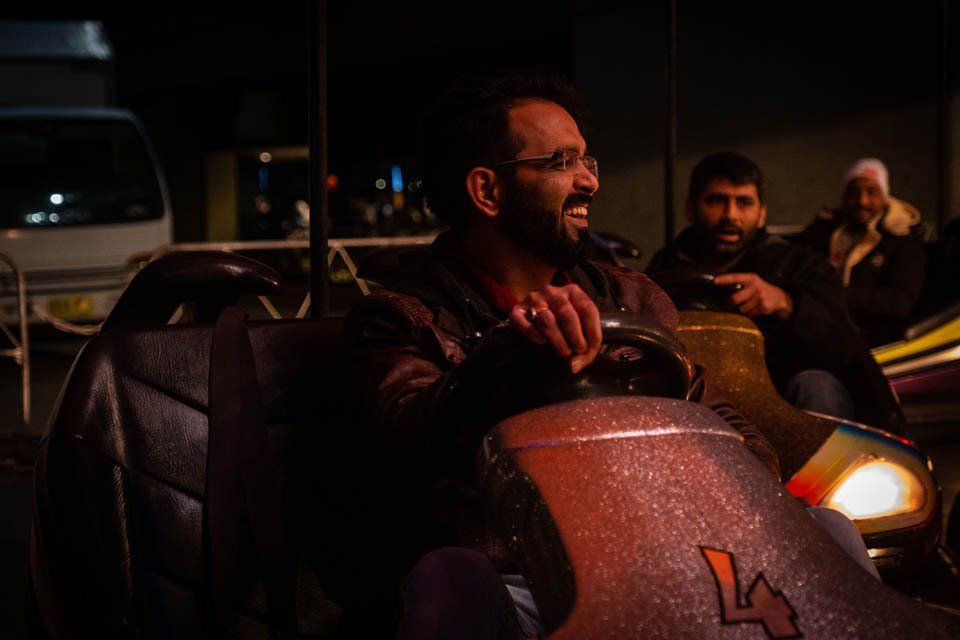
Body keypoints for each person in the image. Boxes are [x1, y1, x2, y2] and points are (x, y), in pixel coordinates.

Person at [344, 72, 866, 639]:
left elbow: (738, 438)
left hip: (663, 551)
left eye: (588, 161)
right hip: (527, 576)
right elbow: (412, 454)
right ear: (487, 191)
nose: (589, 182)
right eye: (562, 161)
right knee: (447, 580)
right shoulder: (401, 319)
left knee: (829, 530)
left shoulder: (630, 298)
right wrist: (512, 359)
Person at [646, 152, 901, 429]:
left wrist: (787, 305)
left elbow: (844, 347)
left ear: (761, 214)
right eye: (717, 201)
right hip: (691, 403)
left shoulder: (800, 266)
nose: (730, 215)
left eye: (743, 203)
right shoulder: (663, 270)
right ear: (690, 209)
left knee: (816, 385)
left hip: (779, 405)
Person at [792, 158, 926, 347]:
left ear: (884, 195)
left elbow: (899, 303)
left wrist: (837, 295)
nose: (862, 201)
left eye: (872, 192)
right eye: (853, 192)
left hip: (877, 344)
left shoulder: (902, 240)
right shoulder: (826, 230)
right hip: (822, 333)